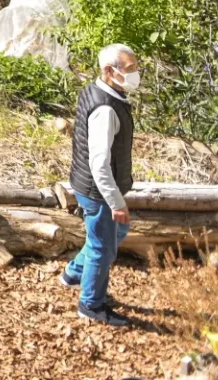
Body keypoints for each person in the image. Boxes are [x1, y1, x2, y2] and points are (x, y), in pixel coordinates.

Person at [61, 42, 140, 325]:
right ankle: (91, 304)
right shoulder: (106, 109)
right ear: (110, 71)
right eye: (130, 68)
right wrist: (115, 201)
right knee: (103, 247)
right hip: (98, 192)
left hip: (91, 186)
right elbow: (99, 164)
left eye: (135, 66)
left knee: (115, 233)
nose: (136, 72)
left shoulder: (97, 91)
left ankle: (74, 273)